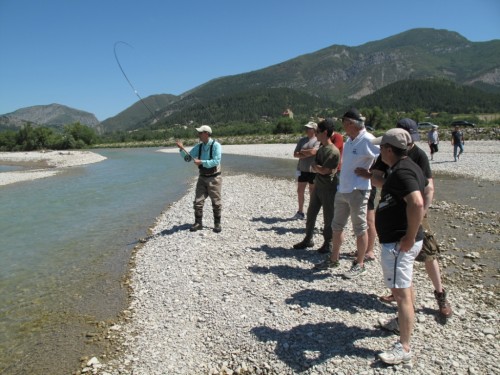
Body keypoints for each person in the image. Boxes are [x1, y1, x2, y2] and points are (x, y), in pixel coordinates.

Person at [357, 118, 452, 318]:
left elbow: (428, 188)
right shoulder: (388, 152)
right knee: (399, 258)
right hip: (396, 209)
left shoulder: (418, 155)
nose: (411, 143)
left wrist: (422, 212)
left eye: (412, 138)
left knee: (428, 254)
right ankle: (399, 294)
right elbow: (376, 178)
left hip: (416, 210)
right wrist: (392, 185)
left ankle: (440, 295)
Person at [372, 128, 426, 365]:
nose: (379, 150)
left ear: (389, 149)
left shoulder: (402, 171)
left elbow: (416, 202)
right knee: (405, 286)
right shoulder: (406, 167)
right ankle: (399, 323)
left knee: (401, 293)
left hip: (399, 242)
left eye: (381, 147)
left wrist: (409, 237)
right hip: (399, 240)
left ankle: (404, 347)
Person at [315, 108, 379, 276]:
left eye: (344, 123)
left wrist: (370, 174)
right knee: (337, 226)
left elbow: (386, 160)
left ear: (350, 123)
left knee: (360, 228)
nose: (342, 126)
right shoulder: (350, 140)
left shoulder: (368, 140)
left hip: (358, 190)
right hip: (342, 190)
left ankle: (360, 263)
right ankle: (334, 259)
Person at [293, 119, 341, 253]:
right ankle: (308, 239)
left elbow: (324, 170)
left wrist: (317, 167)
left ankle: (328, 243)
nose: (315, 134)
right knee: (311, 212)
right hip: (318, 185)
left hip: (328, 188)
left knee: (328, 216)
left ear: (325, 133)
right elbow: (317, 166)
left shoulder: (332, 151)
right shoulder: (321, 148)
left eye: (318, 131)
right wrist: (317, 167)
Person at [176, 125, 222, 233]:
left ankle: (217, 224)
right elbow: (188, 158)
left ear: (206, 133)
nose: (198, 135)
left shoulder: (216, 146)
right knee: (198, 202)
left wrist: (201, 162)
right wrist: (181, 149)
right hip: (202, 177)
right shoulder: (199, 146)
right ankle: (198, 223)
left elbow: (216, 161)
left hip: (214, 178)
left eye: (200, 133)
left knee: (216, 202)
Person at [293, 122, 321, 219]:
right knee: (300, 190)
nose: (307, 130)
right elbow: (295, 154)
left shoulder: (318, 140)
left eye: (309, 128)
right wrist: (306, 153)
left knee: (312, 192)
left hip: (313, 170)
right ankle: (300, 212)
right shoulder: (302, 140)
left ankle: (311, 213)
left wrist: (302, 152)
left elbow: (314, 152)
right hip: (302, 169)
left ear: (314, 129)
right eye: (306, 128)